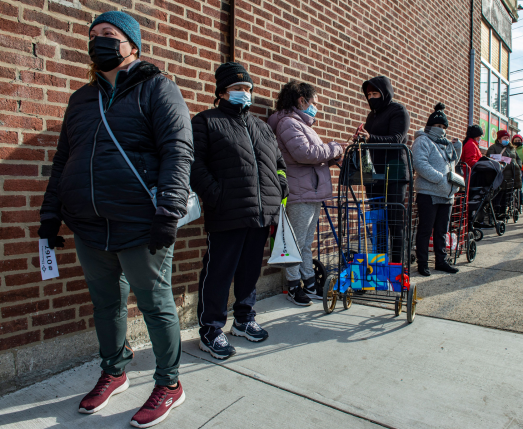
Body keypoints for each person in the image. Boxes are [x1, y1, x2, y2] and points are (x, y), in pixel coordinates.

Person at [37, 12, 193, 427]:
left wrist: (168, 212)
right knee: (106, 304)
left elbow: (179, 151)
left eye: (108, 35)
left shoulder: (158, 88)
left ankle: (169, 383)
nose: (97, 42)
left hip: (141, 222)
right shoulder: (80, 99)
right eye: (93, 36)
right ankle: (114, 369)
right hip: (88, 224)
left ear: (132, 46)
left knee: (155, 305)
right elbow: (63, 160)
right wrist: (51, 213)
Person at [190, 62, 288, 360]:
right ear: (221, 92)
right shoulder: (206, 121)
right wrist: (215, 194)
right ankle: (210, 328)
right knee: (219, 272)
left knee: (249, 271)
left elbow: (279, 166)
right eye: (237, 88)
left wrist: (280, 188)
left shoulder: (262, 127)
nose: (244, 93)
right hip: (227, 211)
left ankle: (244, 319)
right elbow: (194, 164)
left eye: (247, 88)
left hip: (261, 213)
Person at [267, 81, 344, 305]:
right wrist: (334, 148)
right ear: (301, 100)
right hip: (299, 192)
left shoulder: (302, 125)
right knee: (295, 242)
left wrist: (329, 156)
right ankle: (293, 286)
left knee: (305, 242)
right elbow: (304, 153)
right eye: (314, 102)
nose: (315, 107)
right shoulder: (288, 123)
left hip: (310, 191)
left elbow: (311, 157)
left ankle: (309, 282)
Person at [355, 76, 410, 263]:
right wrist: (362, 138)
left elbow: (397, 138)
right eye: (368, 94)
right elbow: (370, 139)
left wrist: (370, 138)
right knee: (378, 220)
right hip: (375, 174)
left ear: (385, 92)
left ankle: (396, 265)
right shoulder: (372, 115)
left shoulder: (398, 110)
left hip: (394, 172)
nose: (371, 97)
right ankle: (379, 264)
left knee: (395, 221)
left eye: (375, 93)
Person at [412, 103, 462, 276]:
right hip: (428, 193)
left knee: (442, 231)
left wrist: (458, 148)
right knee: (425, 230)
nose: (440, 129)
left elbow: (451, 164)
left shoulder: (446, 144)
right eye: (437, 126)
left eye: (443, 127)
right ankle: (422, 263)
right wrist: (440, 178)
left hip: (447, 194)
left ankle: (441, 261)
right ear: (429, 126)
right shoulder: (422, 140)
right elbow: (419, 163)